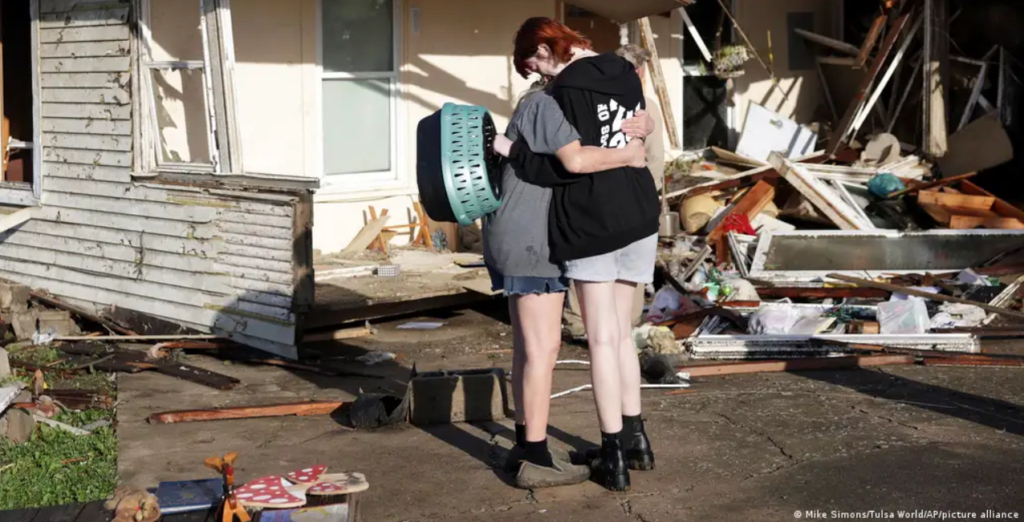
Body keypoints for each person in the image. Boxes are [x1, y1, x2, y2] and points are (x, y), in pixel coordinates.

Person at [495, 17, 661, 492]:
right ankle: (637, 440)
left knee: (603, 339)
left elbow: (569, 164)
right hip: (640, 211)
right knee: (625, 335)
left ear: (548, 50)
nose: (538, 76)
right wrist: (636, 142)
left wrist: (507, 148)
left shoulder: (559, 94)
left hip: (594, 219)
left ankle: (613, 457)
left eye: (536, 65)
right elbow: (636, 130)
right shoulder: (626, 71)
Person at [562, 43, 666, 341]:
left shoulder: (583, 100)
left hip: (590, 195)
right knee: (625, 272)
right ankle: (624, 325)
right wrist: (649, 194)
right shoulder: (643, 106)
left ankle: (579, 321)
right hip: (633, 197)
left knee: (587, 264)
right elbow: (655, 159)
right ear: (636, 71)